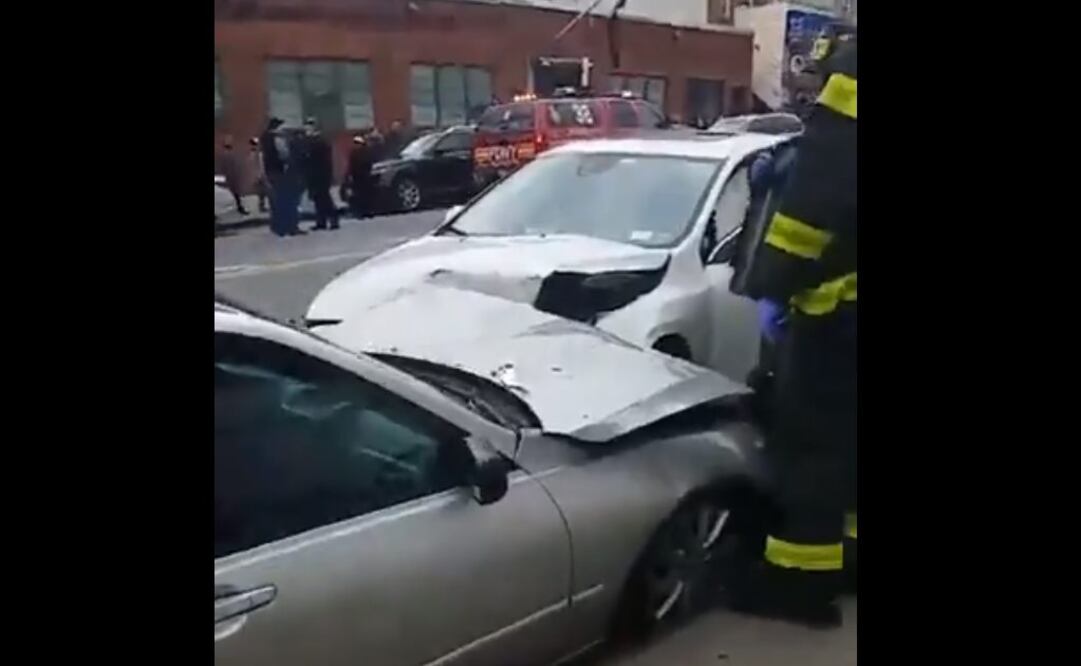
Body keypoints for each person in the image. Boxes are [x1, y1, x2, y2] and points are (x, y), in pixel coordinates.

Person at [726, 38, 857, 628]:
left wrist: (774, 282)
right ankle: (846, 560)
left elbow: (818, 196)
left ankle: (798, 583)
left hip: (840, 307)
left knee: (813, 443)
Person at [260, 117, 303, 236]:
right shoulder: (277, 139)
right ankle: (291, 227)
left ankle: (279, 227)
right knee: (288, 200)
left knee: (277, 201)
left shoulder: (265, 138)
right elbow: (284, 155)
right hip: (282, 173)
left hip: (272, 172)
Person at [302, 119, 339, 231]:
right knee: (318, 199)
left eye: (308, 127)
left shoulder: (319, 141)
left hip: (320, 175)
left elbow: (319, 160)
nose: (306, 130)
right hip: (316, 174)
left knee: (324, 198)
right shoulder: (314, 141)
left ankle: (333, 220)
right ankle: (321, 221)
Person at [345, 133, 375, 219]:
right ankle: (365, 212)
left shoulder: (359, 152)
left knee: (362, 195)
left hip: (360, 176)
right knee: (362, 195)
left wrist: (349, 175)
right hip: (361, 176)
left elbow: (352, 165)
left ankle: (363, 212)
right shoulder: (364, 152)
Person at [217, 136, 248, 215]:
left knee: (235, 192)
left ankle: (239, 206)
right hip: (233, 175)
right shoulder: (230, 154)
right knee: (236, 192)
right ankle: (239, 206)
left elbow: (222, 167)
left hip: (230, 175)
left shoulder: (224, 155)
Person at [248, 137, 268, 213]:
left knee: (262, 191)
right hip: (260, 174)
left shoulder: (256, 153)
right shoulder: (254, 154)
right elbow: (256, 165)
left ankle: (261, 205)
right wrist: (258, 175)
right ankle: (261, 206)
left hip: (261, 174)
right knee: (262, 191)